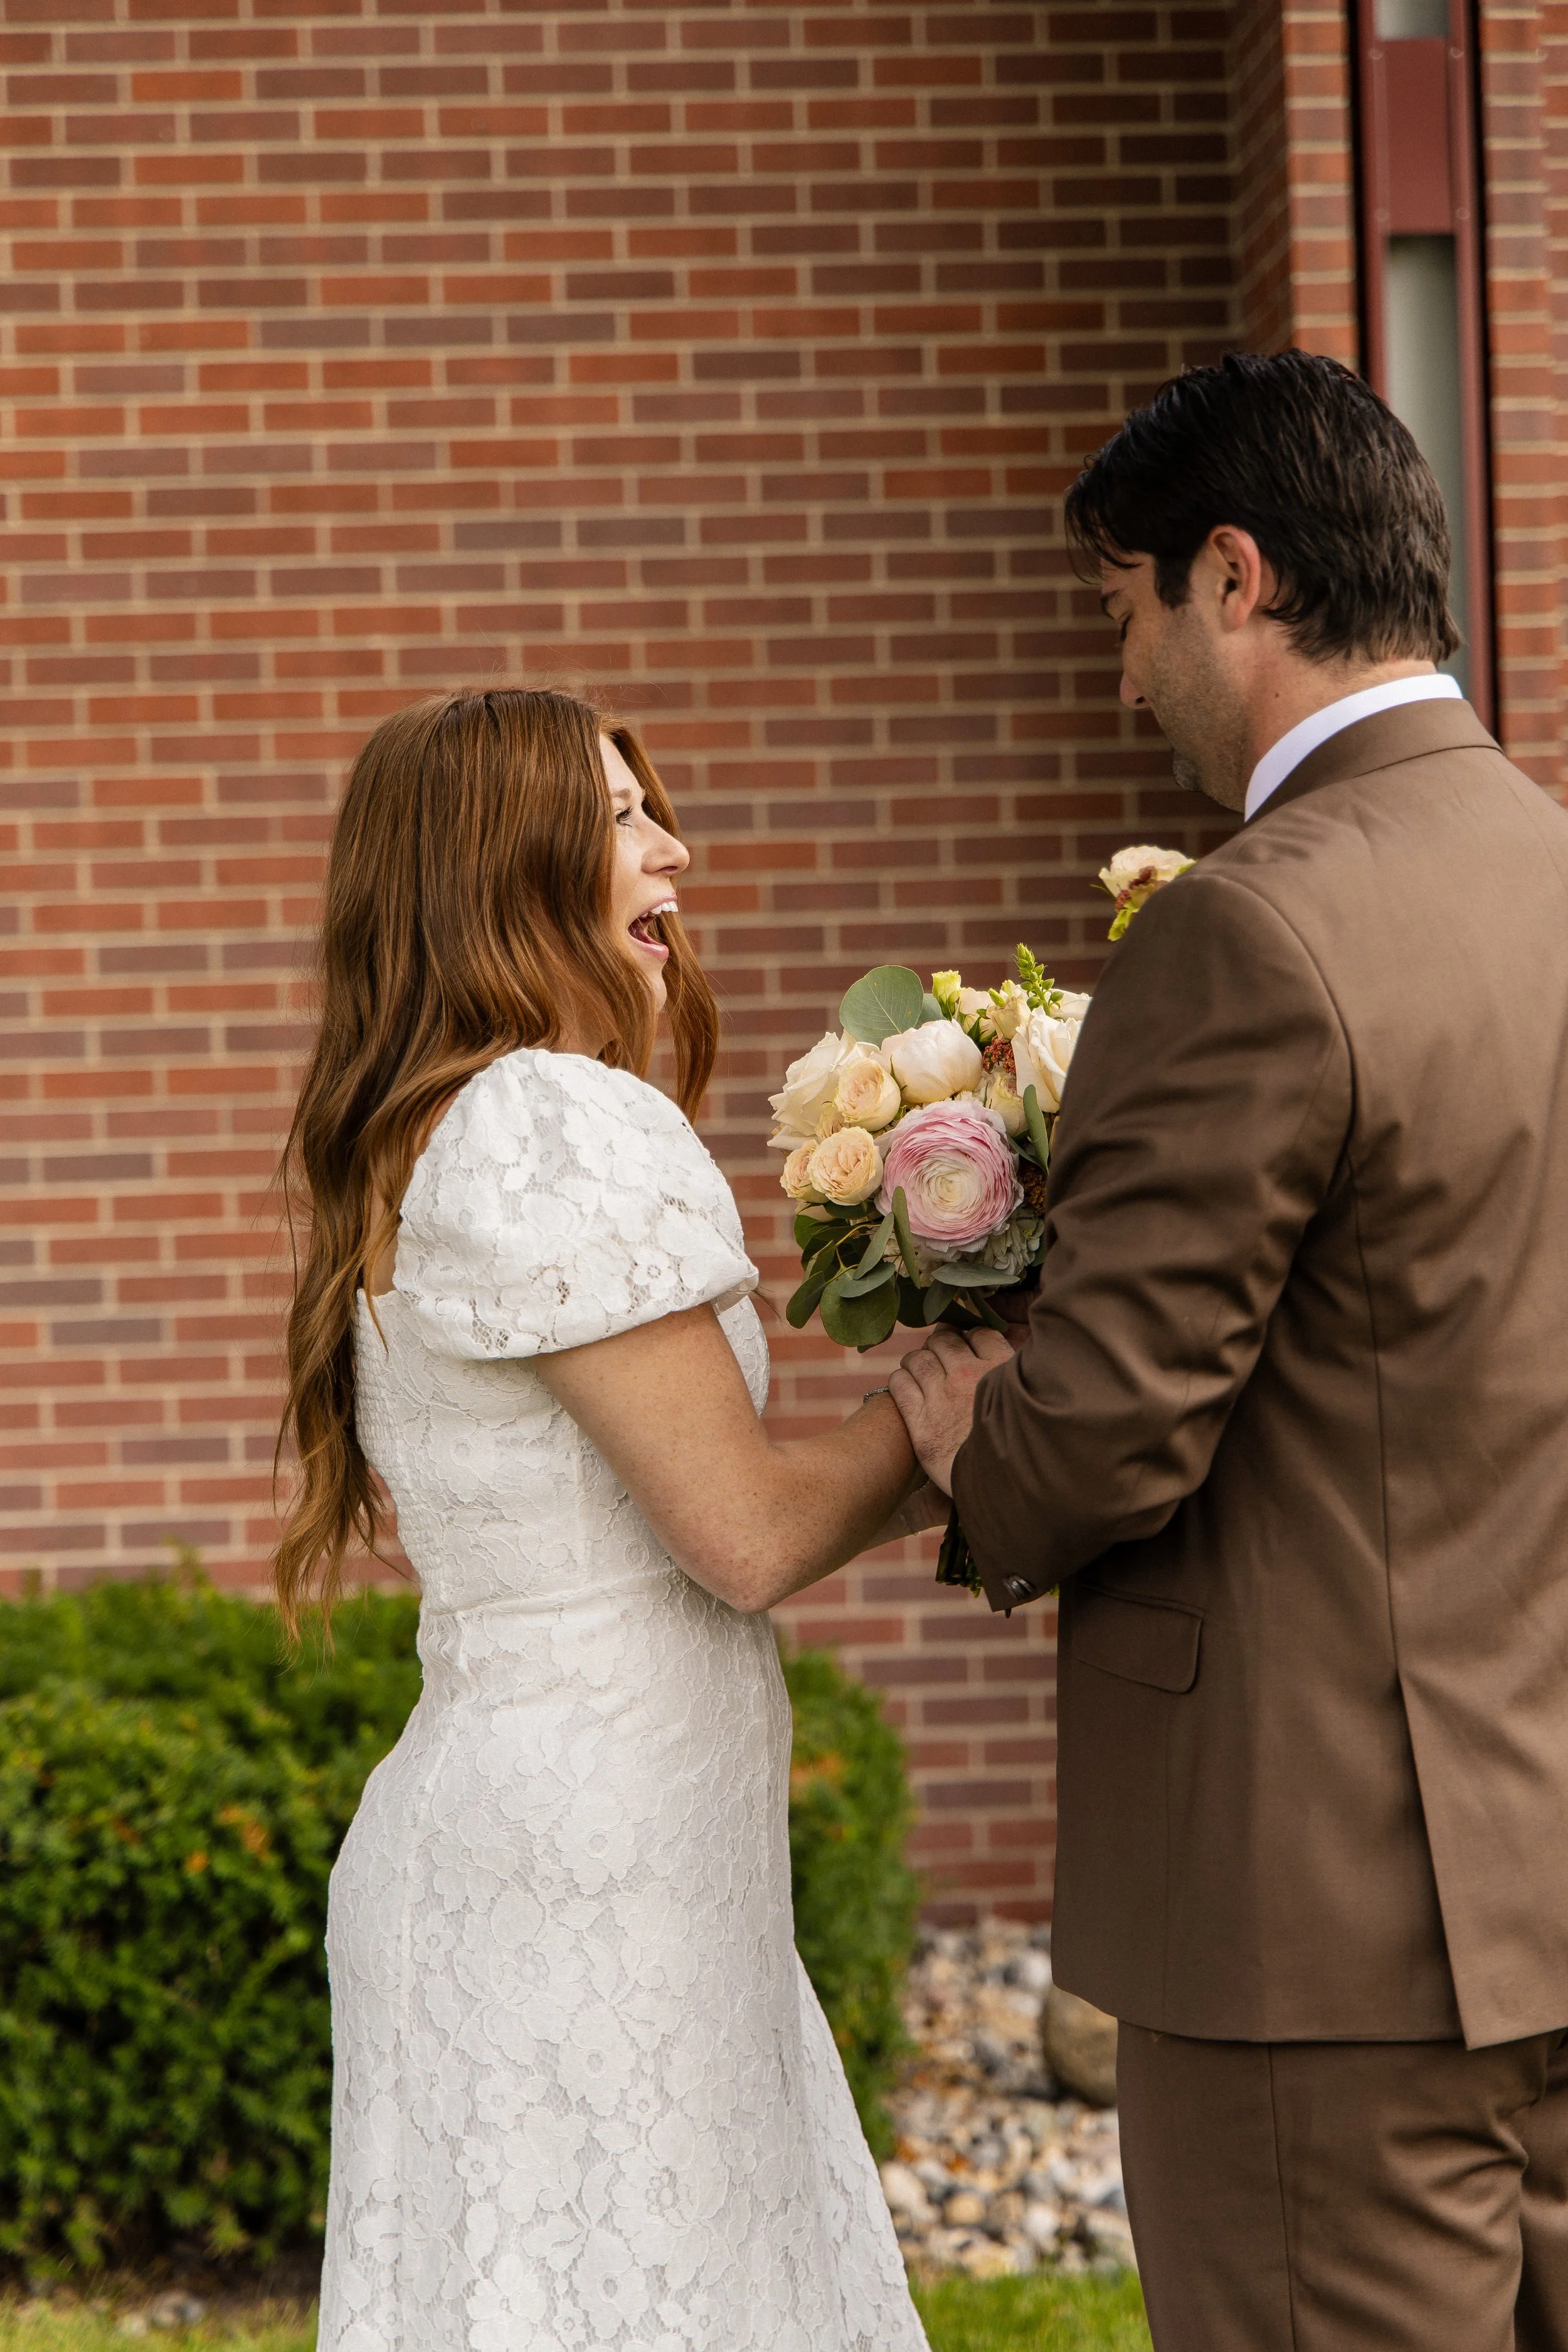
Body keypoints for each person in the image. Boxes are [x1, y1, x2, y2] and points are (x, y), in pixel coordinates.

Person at [889, 351, 1568, 2351]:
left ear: (1234, 579)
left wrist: (961, 1425)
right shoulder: (1544, 874)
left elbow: (1100, 1439)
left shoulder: (1247, 930)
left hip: (1317, 1942)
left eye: (1122, 613)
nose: (1121, 683)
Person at [274, 689, 936, 2352]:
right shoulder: (550, 1119)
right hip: (590, 1883)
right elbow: (746, 1531)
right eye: (624, 816)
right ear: (503, 866)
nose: (673, 849)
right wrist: (976, 1389)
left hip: (562, 1854)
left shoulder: (446, 1127)